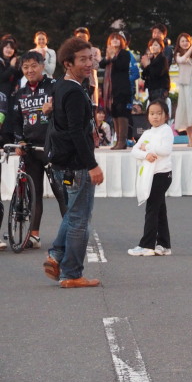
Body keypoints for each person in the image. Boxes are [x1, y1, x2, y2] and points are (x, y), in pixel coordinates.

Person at [43, 36, 105, 288]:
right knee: (80, 219)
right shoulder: (74, 93)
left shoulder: (61, 86)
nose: (89, 64)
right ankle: (72, 274)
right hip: (76, 164)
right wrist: (92, 165)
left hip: (61, 161)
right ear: (68, 63)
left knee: (72, 213)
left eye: (91, 58)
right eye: (83, 60)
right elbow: (77, 133)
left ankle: (56, 256)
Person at [12, 51, 67, 249]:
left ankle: (70, 232)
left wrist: (53, 110)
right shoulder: (20, 93)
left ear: (42, 66)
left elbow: (67, 111)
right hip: (31, 151)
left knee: (61, 192)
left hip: (52, 148)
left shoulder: (54, 87)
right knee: (33, 194)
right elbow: (16, 122)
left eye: (33, 66)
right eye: (25, 67)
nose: (29, 70)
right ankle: (34, 235)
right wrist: (19, 142)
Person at [128, 98, 174, 257]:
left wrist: (147, 148)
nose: (155, 117)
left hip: (162, 175)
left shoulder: (166, 130)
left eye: (159, 113)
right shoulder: (147, 132)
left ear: (166, 115)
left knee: (152, 209)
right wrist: (146, 154)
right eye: (152, 113)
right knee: (159, 210)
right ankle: (164, 244)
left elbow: (165, 150)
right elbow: (134, 151)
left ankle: (147, 245)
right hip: (150, 175)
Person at [99, 31, 132, 149]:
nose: (115, 41)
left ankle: (122, 141)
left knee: (122, 112)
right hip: (111, 90)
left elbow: (121, 65)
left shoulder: (125, 54)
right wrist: (109, 57)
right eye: (112, 39)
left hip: (122, 88)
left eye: (117, 39)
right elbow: (102, 64)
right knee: (114, 113)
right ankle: (118, 141)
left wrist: (113, 57)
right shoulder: (109, 54)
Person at [73, 27, 102, 109]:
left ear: (88, 38)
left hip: (91, 83)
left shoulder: (95, 51)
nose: (81, 40)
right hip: (77, 84)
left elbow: (96, 66)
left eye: (84, 37)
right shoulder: (73, 51)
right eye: (79, 37)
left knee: (92, 111)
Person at [140, 37, 170, 101]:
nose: (153, 47)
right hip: (152, 89)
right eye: (151, 45)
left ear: (161, 47)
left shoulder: (162, 59)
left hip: (160, 88)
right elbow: (145, 75)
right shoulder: (152, 59)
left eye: (156, 45)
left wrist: (147, 65)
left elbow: (157, 73)